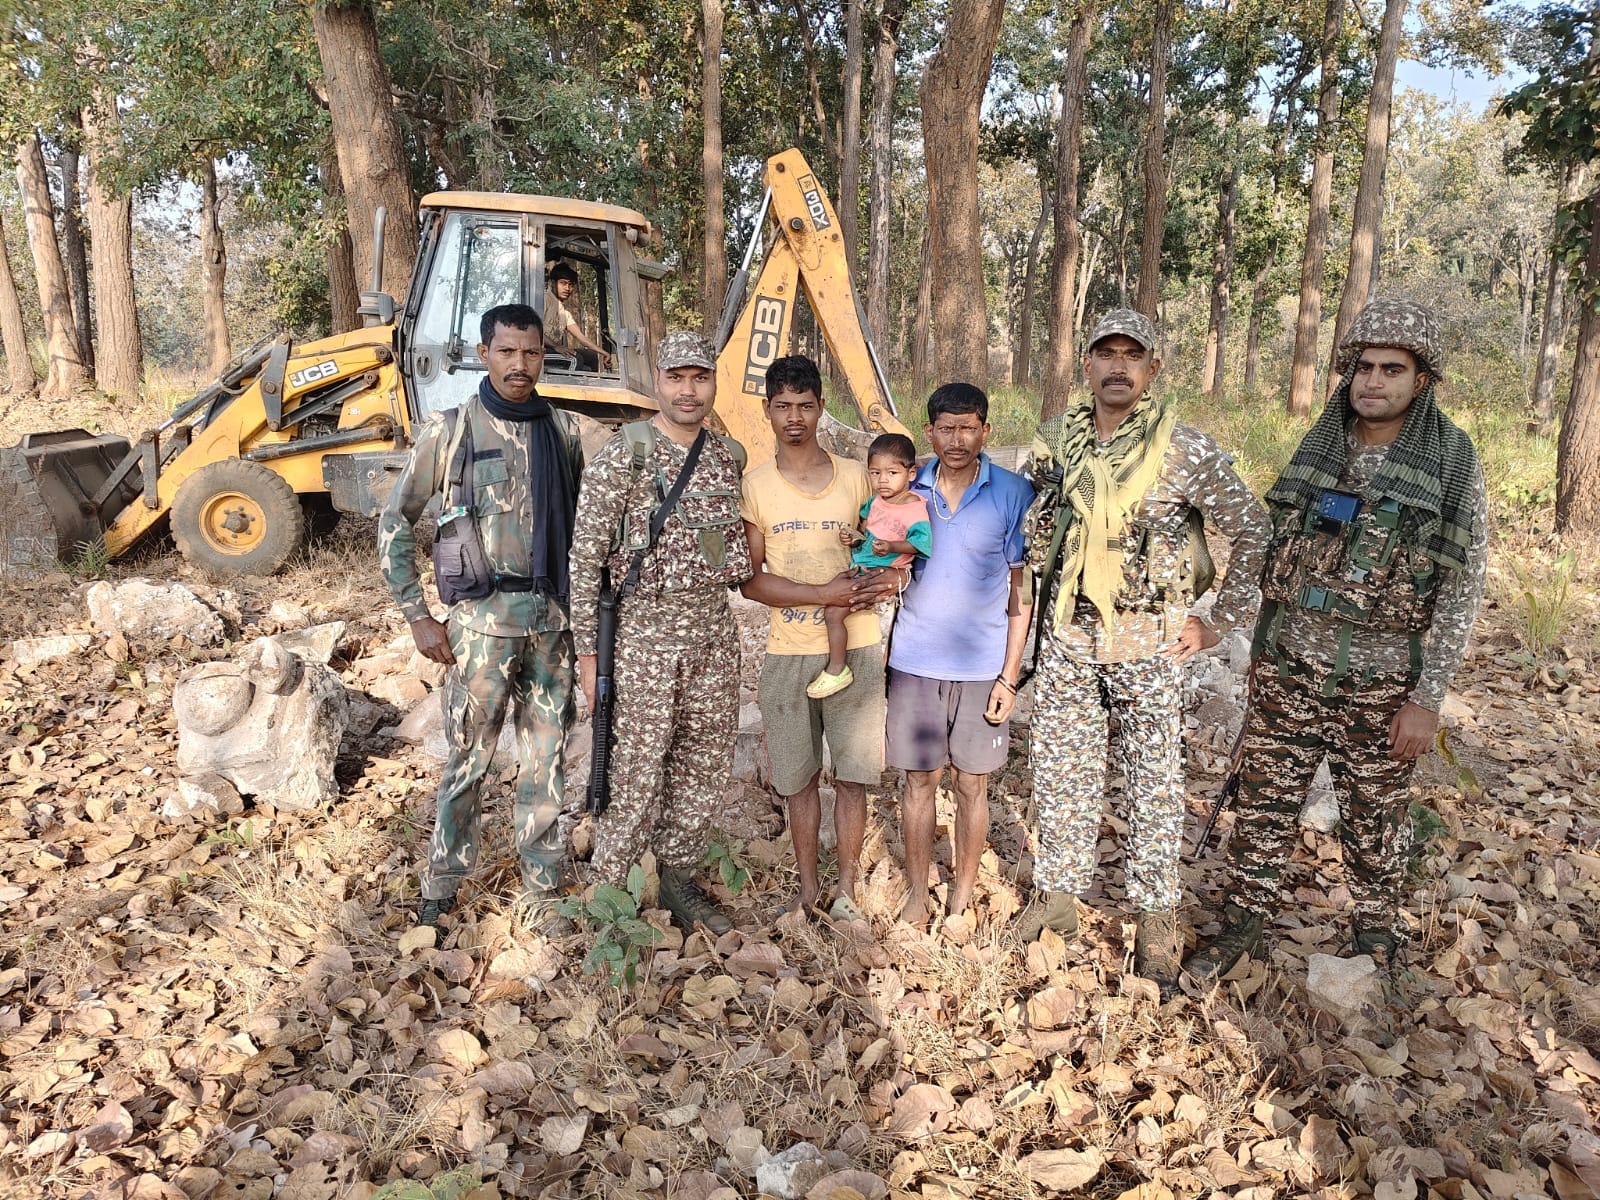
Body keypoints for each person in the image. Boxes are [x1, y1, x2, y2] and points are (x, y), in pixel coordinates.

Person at [1184, 299, 1488, 983]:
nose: (1372, 381)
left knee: (1375, 822)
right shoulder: (1322, 447)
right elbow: (1274, 554)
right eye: (1362, 367)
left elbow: (1462, 592)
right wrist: (1256, 650)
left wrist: (1427, 698)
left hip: (1382, 686)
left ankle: (1377, 941)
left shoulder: (1451, 462)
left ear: (1422, 379)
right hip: (1292, 666)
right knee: (1262, 806)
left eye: (1391, 369)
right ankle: (1242, 930)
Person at [1017, 308, 1270, 996]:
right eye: (1107, 353)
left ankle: (1156, 918)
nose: (1119, 366)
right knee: (1063, 769)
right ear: (1087, 365)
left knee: (1154, 783)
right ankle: (1060, 899)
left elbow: (1253, 527)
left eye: (1134, 355)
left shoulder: (1184, 450)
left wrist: (1220, 622)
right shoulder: (1053, 447)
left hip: (1149, 642)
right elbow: (1032, 535)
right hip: (1069, 635)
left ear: (1153, 369)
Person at [378, 303, 584, 932]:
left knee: (545, 759)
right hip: (479, 627)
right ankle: (442, 886)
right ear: (484, 352)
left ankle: (543, 887)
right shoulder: (450, 431)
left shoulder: (568, 431)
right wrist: (417, 614)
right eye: (507, 351)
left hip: (553, 623)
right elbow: (395, 522)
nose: (520, 365)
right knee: (469, 757)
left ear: (543, 354)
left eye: (531, 352)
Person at [568, 330, 752, 934]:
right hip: (644, 639)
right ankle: (604, 896)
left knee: (703, 765)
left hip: (713, 637)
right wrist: (589, 655)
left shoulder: (727, 456)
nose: (688, 390)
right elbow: (584, 559)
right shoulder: (625, 454)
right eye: (677, 377)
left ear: (713, 382)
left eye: (700, 377)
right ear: (657, 379)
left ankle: (676, 883)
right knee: (635, 773)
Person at [738, 357, 908, 920]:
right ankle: (809, 889)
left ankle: (847, 891)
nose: (794, 418)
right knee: (799, 778)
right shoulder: (755, 486)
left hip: (857, 646)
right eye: (783, 407)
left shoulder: (860, 476)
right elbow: (752, 580)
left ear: (820, 408)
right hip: (788, 652)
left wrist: (887, 579)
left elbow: (894, 544)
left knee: (854, 777)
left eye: (805, 406)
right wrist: (824, 595)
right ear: (767, 412)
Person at [886, 382, 1034, 927]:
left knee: (973, 783)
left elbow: (1021, 595)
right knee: (919, 781)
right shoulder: (907, 488)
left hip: (981, 669)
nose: (957, 439)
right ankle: (918, 895)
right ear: (929, 432)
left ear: (986, 432)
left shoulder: (1014, 493)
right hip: (915, 663)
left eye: (968, 427)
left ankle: (962, 896)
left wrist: (1009, 676)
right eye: (945, 428)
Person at [808, 432, 931, 700]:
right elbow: (864, 531)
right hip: (862, 567)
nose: (882, 480)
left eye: (891, 473)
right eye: (875, 473)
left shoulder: (915, 509)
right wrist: (852, 537)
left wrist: (893, 546)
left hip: (883, 579)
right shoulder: (875, 502)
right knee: (837, 608)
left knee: (834, 614)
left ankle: (838, 668)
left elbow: (923, 545)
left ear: (911, 474)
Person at [543, 263, 609, 372]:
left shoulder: (565, 313)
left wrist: (604, 353)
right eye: (563, 283)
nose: (567, 288)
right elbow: (534, 330)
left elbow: (582, 338)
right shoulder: (544, 300)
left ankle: (588, 388)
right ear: (553, 283)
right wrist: (556, 346)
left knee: (590, 356)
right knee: (575, 359)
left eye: (570, 284)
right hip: (537, 352)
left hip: (553, 351)